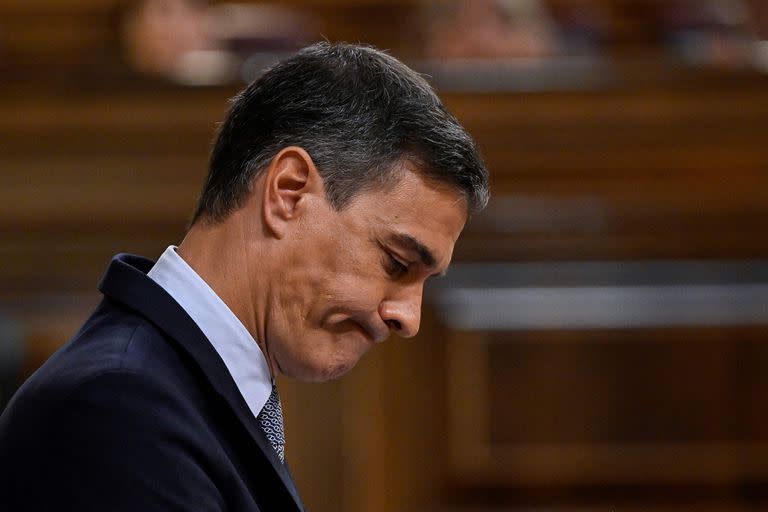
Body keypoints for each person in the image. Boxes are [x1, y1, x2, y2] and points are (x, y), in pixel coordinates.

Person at [0, 42, 489, 511]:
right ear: (289, 193)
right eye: (397, 263)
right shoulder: (116, 407)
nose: (409, 317)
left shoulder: (170, 391)